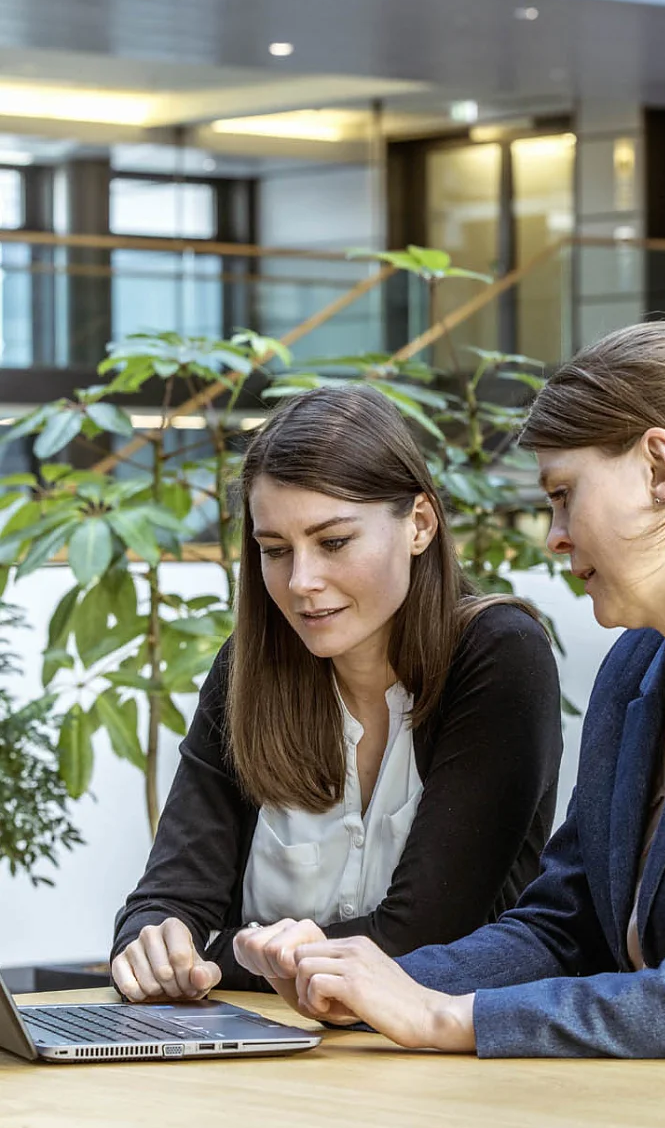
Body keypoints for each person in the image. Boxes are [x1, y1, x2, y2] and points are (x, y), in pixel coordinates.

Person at [258, 320, 665, 1060]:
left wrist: (445, 1018)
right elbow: (562, 926)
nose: (552, 535)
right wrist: (372, 984)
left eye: (563, 493)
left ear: (659, 467)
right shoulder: (635, 674)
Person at [111, 385, 562, 1002]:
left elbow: (416, 939)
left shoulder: (499, 654)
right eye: (274, 550)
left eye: (333, 542)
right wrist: (152, 943)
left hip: (445, 1063)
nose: (301, 582)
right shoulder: (248, 669)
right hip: (261, 1064)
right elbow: (168, 903)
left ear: (420, 525)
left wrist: (216, 954)